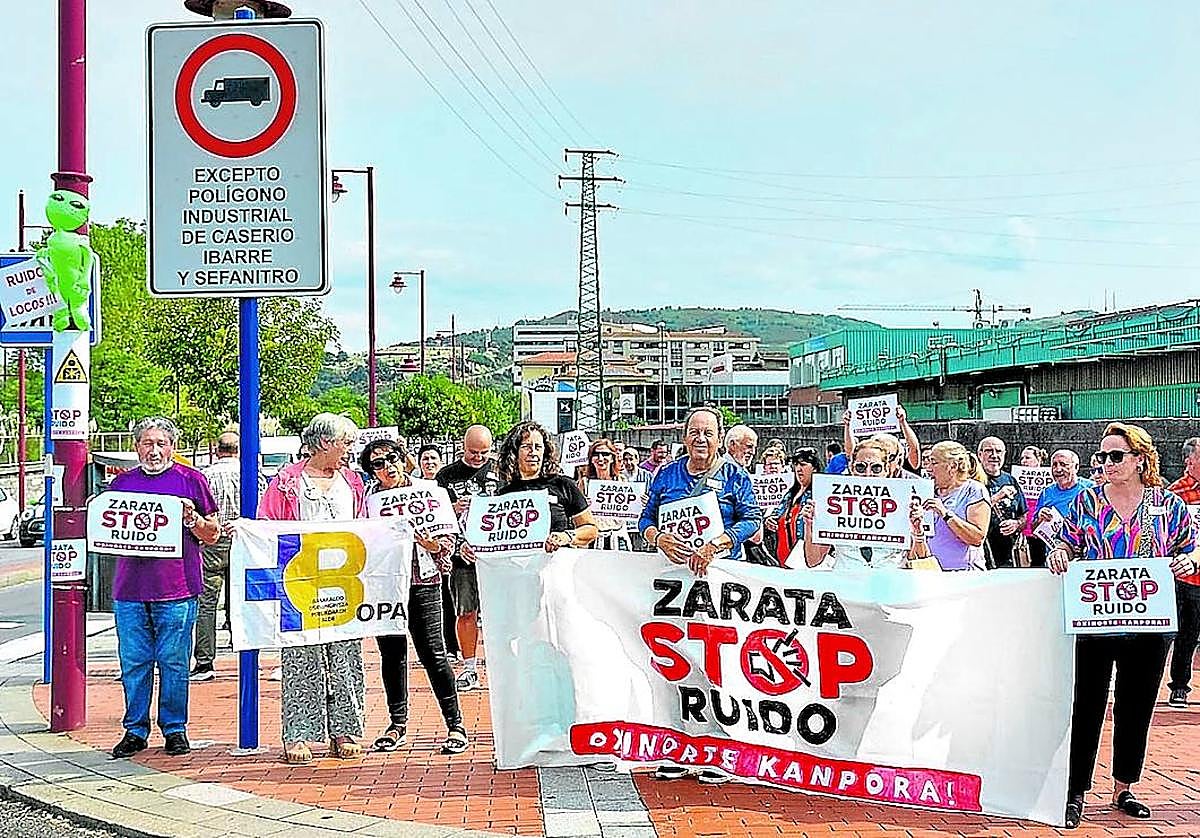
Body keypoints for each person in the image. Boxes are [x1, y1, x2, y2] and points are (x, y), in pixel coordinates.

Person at [1047, 422, 1198, 829]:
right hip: (1095, 619)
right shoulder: (1086, 502)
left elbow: (1192, 544)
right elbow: (1066, 540)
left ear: (1140, 459)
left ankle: (1123, 785)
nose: (1107, 463)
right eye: (1102, 456)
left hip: (1150, 621)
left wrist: (1191, 560)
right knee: (1087, 703)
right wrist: (1060, 553)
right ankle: (1075, 788)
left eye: (1116, 456)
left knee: (1137, 704)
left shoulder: (1168, 505)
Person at [639, 406, 762, 785]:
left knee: (719, 661)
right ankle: (678, 746)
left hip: (721, 582)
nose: (701, 439)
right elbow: (646, 518)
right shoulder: (667, 474)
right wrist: (658, 538)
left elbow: (752, 520)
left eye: (708, 433)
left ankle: (719, 748)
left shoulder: (734, 475)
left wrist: (720, 542)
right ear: (684, 436)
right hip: (675, 582)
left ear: (719, 436)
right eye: (694, 432)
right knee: (677, 662)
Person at [258, 413, 367, 765]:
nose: (350, 450)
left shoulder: (353, 483)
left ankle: (345, 728)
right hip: (300, 584)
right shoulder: (287, 482)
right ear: (323, 443)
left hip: (344, 585)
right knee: (301, 657)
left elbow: (367, 527)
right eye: (345, 443)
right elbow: (266, 525)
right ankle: (299, 732)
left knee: (345, 656)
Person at [110, 417, 220, 759]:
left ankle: (174, 729)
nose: (154, 450)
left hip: (177, 587)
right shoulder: (121, 485)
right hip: (130, 588)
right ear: (136, 446)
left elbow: (213, 533)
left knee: (174, 662)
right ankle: (135, 729)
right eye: (147, 443)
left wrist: (193, 520)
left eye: (161, 443)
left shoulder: (192, 480)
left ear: (172, 446)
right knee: (134, 662)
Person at [359, 439, 468, 756]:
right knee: (392, 655)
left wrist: (433, 544)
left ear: (402, 458)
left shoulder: (429, 491)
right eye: (377, 464)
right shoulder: (368, 501)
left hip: (423, 580)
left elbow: (448, 539)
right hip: (384, 584)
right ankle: (397, 724)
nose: (386, 467)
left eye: (390, 458)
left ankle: (455, 725)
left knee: (433, 653)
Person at [191, 431, 262, 682]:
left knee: (207, 603)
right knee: (242, 600)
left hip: (211, 540)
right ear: (238, 450)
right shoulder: (252, 474)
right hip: (244, 541)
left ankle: (204, 662)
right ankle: (246, 653)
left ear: (217, 449)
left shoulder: (205, 476)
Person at [435, 425, 500, 693]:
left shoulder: (501, 470)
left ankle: (500, 666)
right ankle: (470, 667)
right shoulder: (446, 476)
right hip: (464, 557)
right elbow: (434, 515)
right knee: (466, 611)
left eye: (484, 452)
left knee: (500, 613)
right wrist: (452, 509)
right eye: (473, 452)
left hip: (497, 554)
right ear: (463, 447)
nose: (479, 458)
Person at [794, 438, 925, 570]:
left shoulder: (904, 502)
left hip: (890, 584)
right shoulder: (835, 501)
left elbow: (919, 558)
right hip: (846, 583)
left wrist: (918, 531)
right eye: (861, 467)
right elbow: (813, 560)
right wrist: (809, 525)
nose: (868, 474)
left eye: (876, 468)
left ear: (886, 469)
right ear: (851, 468)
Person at [496, 421, 599, 551]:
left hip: (556, 566)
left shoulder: (564, 485)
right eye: (526, 446)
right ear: (514, 452)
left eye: (538, 447)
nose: (533, 452)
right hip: (517, 568)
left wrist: (567, 536)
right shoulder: (503, 493)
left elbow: (591, 529)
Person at [1166, 436, 1200, 708]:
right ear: (1189, 461)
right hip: (1186, 578)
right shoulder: (1176, 494)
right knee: (1184, 635)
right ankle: (1179, 686)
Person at [921, 441, 991, 571]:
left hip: (963, 576)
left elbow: (977, 538)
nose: (928, 468)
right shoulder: (928, 491)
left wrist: (945, 513)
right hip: (930, 573)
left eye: (934, 463)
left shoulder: (974, 490)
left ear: (952, 466)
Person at [1028, 450, 1092, 570]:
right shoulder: (1046, 492)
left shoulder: (1090, 489)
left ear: (1076, 467)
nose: (1058, 469)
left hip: (1084, 559)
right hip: (1055, 559)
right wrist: (1040, 519)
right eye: (1054, 465)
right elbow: (1034, 529)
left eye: (1063, 464)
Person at [977, 437, 1027, 568]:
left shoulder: (1010, 480)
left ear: (1004, 455)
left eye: (998, 451)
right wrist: (997, 497)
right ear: (979, 454)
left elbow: (1024, 514)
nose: (994, 455)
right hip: (982, 553)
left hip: (1010, 554)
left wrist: (1016, 524)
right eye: (989, 451)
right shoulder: (973, 481)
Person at [769, 447, 820, 566]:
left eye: (803, 464)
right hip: (783, 560)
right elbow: (776, 515)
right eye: (796, 464)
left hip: (804, 562)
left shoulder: (819, 496)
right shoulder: (790, 494)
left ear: (815, 468)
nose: (798, 469)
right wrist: (770, 520)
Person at [578, 438, 627, 550]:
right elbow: (576, 515)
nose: (600, 458)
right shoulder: (584, 483)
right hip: (593, 540)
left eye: (605, 454)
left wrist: (641, 501)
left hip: (618, 539)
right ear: (591, 459)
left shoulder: (621, 481)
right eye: (596, 454)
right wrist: (583, 506)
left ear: (612, 458)